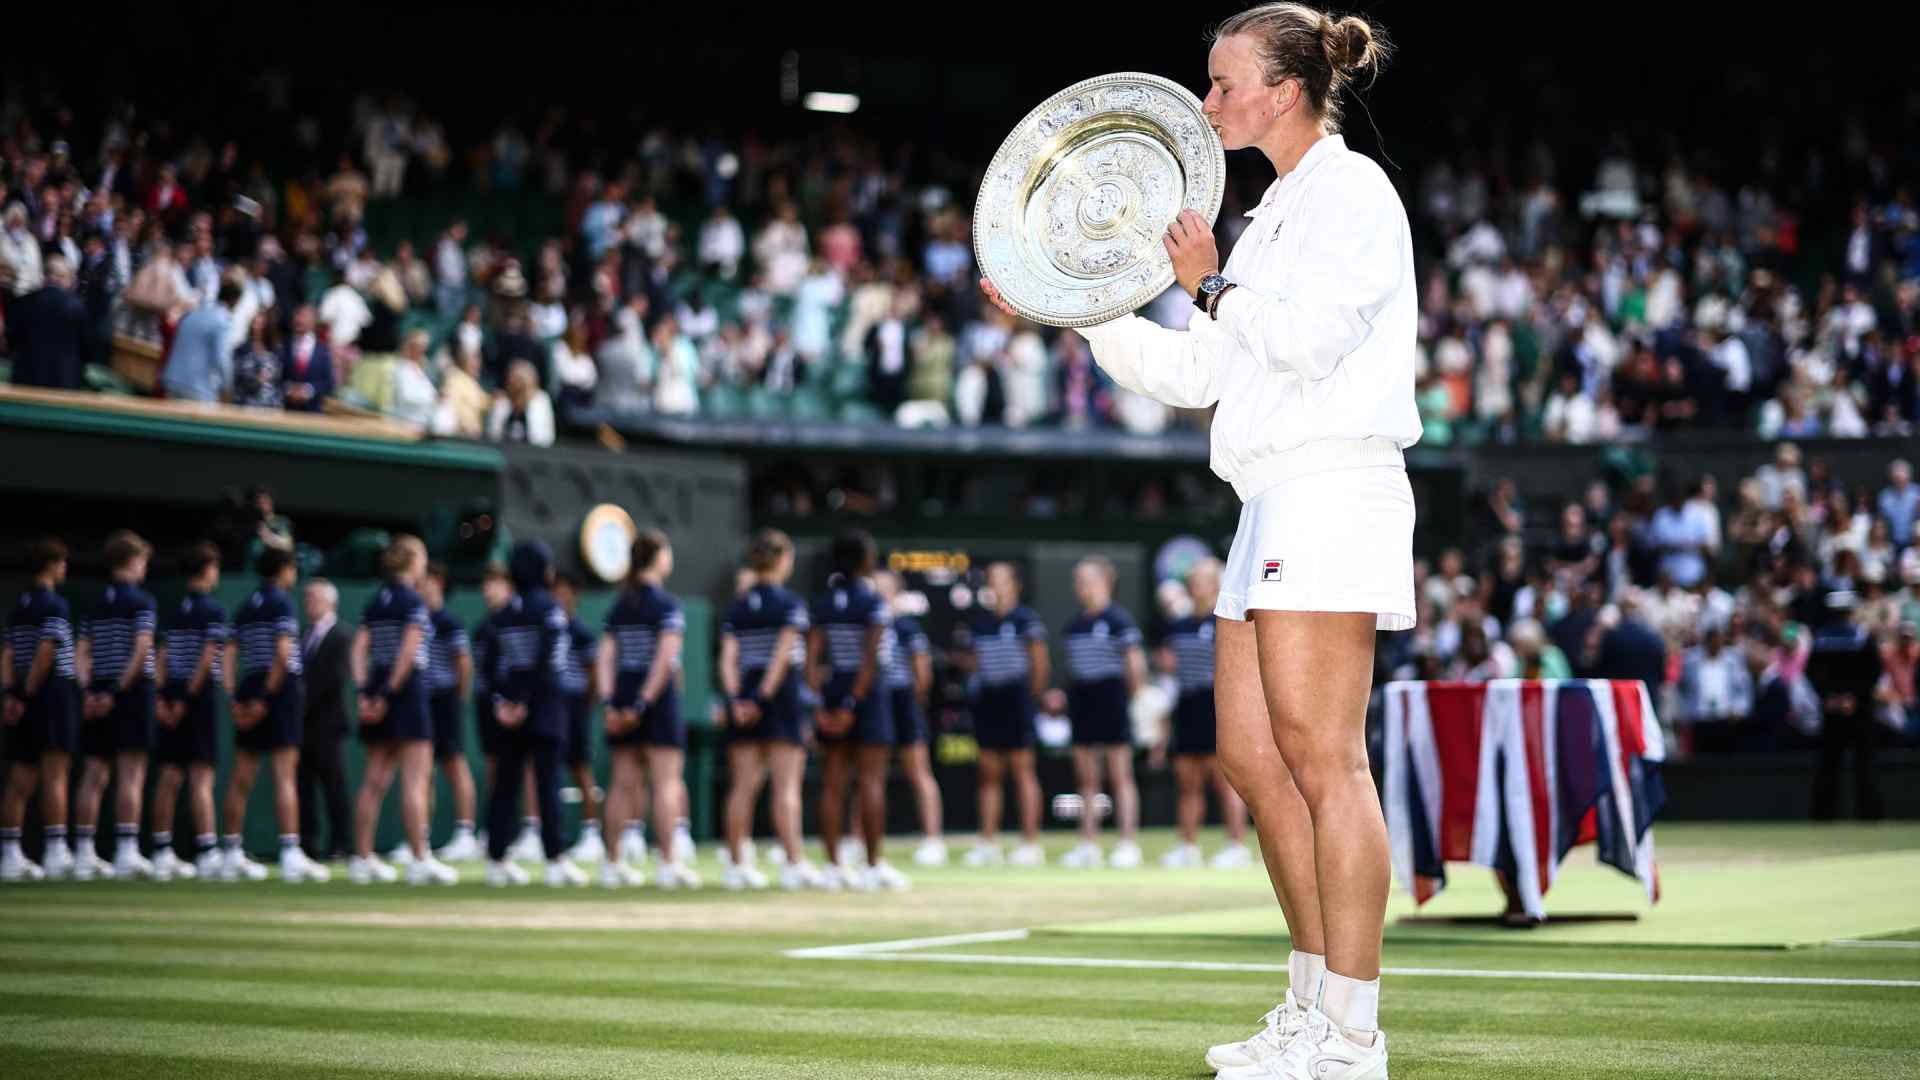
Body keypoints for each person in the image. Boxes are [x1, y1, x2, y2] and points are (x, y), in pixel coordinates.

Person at [985, 7, 1414, 1075]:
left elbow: (1312, 344)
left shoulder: (1353, 193)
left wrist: (1209, 283)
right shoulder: (1267, 218)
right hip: (1267, 496)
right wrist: (1072, 307)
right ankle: (1312, 1006)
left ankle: (1353, 1035)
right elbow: (1197, 375)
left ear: (1282, 89)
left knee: (1327, 762)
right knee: (1252, 757)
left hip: (1332, 485)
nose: (1207, 103)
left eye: (1222, 85)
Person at [718, 529, 825, 889]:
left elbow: (728, 660)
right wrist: (762, 699)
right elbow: (782, 658)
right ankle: (793, 864)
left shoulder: (738, 606)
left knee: (743, 786)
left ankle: (736, 866)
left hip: (746, 696)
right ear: (782, 561)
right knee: (786, 786)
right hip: (779, 698)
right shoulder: (791, 605)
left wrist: (738, 699)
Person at [348, 535, 455, 886]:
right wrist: (389, 694)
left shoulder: (375, 601)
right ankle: (419, 860)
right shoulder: (413, 601)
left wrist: (367, 693)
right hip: (407, 695)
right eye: (422, 557)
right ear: (412, 561)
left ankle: (362, 859)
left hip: (378, 691)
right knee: (416, 780)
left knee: (374, 779)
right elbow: (409, 653)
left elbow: (359, 649)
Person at [806, 530, 908, 892]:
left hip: (834, 691)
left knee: (832, 783)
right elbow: (871, 659)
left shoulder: (823, 603)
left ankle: (834, 867)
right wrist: (852, 702)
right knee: (870, 782)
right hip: (866, 696)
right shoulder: (873, 602)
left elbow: (812, 659)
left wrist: (822, 704)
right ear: (865, 561)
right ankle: (872, 865)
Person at [482, 542, 586, 887]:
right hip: (544, 711)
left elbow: (493, 665)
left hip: (509, 711)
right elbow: (551, 663)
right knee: (547, 784)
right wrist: (524, 702)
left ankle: (497, 860)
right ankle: (555, 861)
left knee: (506, 786)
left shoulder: (502, 614)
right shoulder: (550, 611)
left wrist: (503, 701)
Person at [599, 530, 699, 889]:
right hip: (655, 701)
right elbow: (664, 660)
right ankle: (668, 865)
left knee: (622, 784)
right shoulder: (667, 604)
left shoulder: (619, 604)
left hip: (624, 695)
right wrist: (642, 703)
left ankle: (611, 865)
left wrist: (612, 703)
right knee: (666, 782)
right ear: (658, 557)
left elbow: (607, 659)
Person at [225, 548, 329, 883]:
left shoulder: (245, 606)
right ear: (284, 571)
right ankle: (290, 853)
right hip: (279, 694)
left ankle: (230, 852)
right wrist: (265, 698)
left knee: (242, 776)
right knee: (285, 775)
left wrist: (235, 698)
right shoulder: (282, 603)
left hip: (251, 687)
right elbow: (284, 654)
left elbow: (228, 655)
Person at [74, 531, 159, 881]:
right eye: (143, 562)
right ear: (133, 561)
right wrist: (115, 692)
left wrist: (89, 692)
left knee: (94, 774)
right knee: (130, 773)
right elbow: (141, 650)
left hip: (96, 695)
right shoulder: (142, 601)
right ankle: (126, 852)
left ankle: (83, 854)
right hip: (130, 695)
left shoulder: (94, 603)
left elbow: (81, 654)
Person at [1158, 558, 1253, 870]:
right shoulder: (1179, 625)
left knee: (1224, 781)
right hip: (1187, 705)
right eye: (1193, 580)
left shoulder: (1226, 620)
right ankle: (1188, 846)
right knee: (1187, 781)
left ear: (1216, 584)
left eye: (1203, 580)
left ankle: (1236, 845)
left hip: (1217, 705)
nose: (1196, 586)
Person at [1057, 556, 1148, 869]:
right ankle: (1088, 843)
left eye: (1085, 580)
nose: (1078, 587)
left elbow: (1134, 664)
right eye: (1077, 581)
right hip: (1083, 697)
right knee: (1086, 777)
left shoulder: (1119, 620)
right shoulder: (1074, 626)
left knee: (1119, 773)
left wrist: (1132, 696)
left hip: (1111, 696)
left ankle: (1127, 843)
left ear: (1104, 582)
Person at [956, 562, 1048, 868]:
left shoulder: (1026, 620)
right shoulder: (980, 624)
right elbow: (975, 664)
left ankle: (1030, 843)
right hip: (989, 702)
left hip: (1018, 700)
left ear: (1015, 585)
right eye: (991, 581)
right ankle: (988, 842)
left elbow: (1039, 665)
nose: (995, 586)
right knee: (988, 773)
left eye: (1001, 581)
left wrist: (1031, 698)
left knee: (1023, 771)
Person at [0, 539, 79, 882]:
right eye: (62, 563)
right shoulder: (55, 605)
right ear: (51, 564)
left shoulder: (20, 606)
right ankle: (56, 851)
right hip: (50, 694)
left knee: (21, 775)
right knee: (54, 774)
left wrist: (11, 695)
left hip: (22, 695)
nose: (65, 569)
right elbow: (47, 652)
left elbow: (6, 655)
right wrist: (27, 693)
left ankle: (10, 853)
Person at [148, 544, 227, 881]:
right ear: (208, 568)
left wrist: (163, 699)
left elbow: (162, 659)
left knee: (169, 777)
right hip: (195, 702)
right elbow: (208, 658)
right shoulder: (213, 610)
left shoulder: (175, 611)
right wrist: (183, 700)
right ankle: (207, 852)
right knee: (200, 778)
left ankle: (161, 851)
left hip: (171, 701)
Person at [875, 569, 946, 867]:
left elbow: (922, 672)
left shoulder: (907, 627)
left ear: (896, 593)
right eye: (874, 588)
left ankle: (932, 840)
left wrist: (913, 700)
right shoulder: (867, 626)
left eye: (884, 589)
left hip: (903, 701)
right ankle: (858, 838)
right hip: (876, 702)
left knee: (919, 771)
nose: (879, 594)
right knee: (868, 774)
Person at [421, 563, 481, 863]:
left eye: (428, 581)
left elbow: (463, 664)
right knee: (422, 771)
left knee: (455, 765)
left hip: (445, 701)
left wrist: (458, 699)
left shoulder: (449, 622)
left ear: (440, 583)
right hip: (422, 700)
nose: (423, 586)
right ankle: (420, 837)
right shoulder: (417, 619)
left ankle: (465, 833)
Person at [1807, 591, 1885, 820]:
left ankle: (1861, 815)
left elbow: (1873, 673)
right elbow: (1872, 673)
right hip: (1844, 710)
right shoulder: (1827, 639)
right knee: (1836, 765)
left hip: (1852, 710)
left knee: (1855, 765)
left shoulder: (1842, 638)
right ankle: (1831, 816)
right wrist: (1836, 697)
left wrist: (1843, 698)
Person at [553, 574, 608, 866]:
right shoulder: (548, 630)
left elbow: (594, 675)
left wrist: (586, 703)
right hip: (552, 706)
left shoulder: (582, 632)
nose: (561, 597)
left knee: (581, 769)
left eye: (566, 592)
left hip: (575, 708)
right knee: (546, 770)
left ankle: (590, 834)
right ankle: (538, 831)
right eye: (556, 592)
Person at [297, 578, 353, 864]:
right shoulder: (303, 634)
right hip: (304, 726)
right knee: (304, 788)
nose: (309, 603)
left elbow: (335, 679)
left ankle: (341, 844)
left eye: (314, 598)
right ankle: (308, 845)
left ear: (330, 602)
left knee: (335, 788)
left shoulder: (342, 635)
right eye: (306, 598)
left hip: (329, 725)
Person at [162, 277, 241, 402]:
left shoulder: (194, 313)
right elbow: (222, 359)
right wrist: (228, 388)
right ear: (235, 301)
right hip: (197, 389)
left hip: (172, 381)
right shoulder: (222, 321)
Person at [278, 304, 335, 412]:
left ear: (313, 321)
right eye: (297, 315)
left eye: (303, 316)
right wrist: (289, 389)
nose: (298, 319)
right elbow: (277, 376)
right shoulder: (284, 346)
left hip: (312, 413)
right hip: (287, 411)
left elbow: (329, 383)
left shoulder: (323, 351)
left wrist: (308, 390)